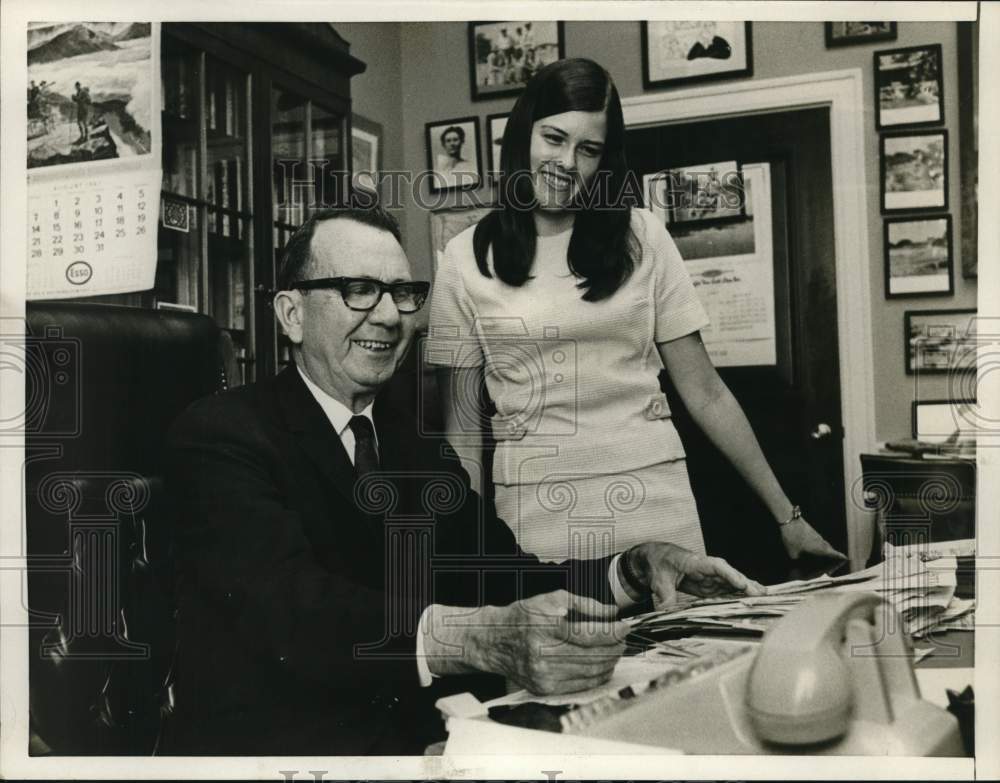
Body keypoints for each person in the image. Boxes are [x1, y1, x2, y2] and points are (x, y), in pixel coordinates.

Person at [164, 204, 762, 755]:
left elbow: (503, 575)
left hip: (419, 748)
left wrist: (634, 568)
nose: (389, 314)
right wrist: (477, 638)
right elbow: (294, 612)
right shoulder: (222, 435)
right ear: (291, 313)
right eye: (358, 290)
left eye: (402, 293)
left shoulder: (414, 448)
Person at [426, 58, 845, 567]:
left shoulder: (643, 237)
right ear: (523, 135)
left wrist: (788, 517)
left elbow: (706, 392)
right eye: (553, 138)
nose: (566, 162)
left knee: (682, 643)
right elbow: (462, 433)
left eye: (588, 149)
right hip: (535, 516)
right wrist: (469, 557)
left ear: (605, 160)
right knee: (565, 643)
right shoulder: (463, 259)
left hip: (654, 499)